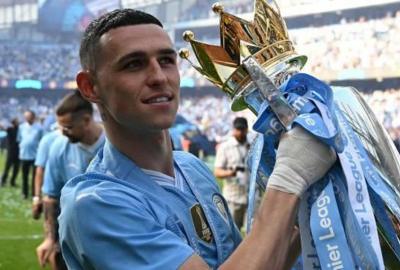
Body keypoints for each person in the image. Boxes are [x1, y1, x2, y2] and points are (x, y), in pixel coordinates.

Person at [58, 9, 336, 270]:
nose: (158, 77)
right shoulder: (94, 204)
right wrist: (288, 180)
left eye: (166, 60)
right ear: (89, 87)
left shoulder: (192, 168)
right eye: (134, 64)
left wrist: (310, 200)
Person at [36, 91, 105, 270]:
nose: (63, 132)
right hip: (73, 235)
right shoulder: (59, 148)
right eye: (61, 127)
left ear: (87, 119)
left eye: (68, 127)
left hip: (112, 231)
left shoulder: (116, 143)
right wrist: (50, 239)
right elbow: (51, 197)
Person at [214, 117, 250, 230]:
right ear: (233, 129)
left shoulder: (252, 146)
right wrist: (231, 173)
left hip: (251, 195)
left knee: (253, 232)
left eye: (242, 129)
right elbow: (217, 172)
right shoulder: (225, 147)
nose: (240, 132)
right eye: (238, 129)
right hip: (233, 196)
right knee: (233, 231)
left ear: (247, 129)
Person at [32, 124, 62, 219]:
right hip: (53, 196)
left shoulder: (83, 140)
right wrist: (37, 197)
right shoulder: (48, 139)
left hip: (77, 196)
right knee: (52, 231)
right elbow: (40, 169)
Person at [17, 110, 43, 198]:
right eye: (26, 116)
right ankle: (24, 193)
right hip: (24, 155)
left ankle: (34, 194)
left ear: (33, 117)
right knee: (24, 176)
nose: (27, 118)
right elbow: (19, 139)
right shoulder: (21, 127)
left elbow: (42, 141)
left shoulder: (39, 128)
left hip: (35, 156)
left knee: (35, 177)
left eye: (29, 116)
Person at [1, 118, 20, 187]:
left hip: (18, 152)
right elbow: (3, 128)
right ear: (13, 123)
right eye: (17, 122)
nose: (18, 123)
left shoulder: (19, 130)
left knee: (16, 168)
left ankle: (12, 181)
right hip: (11, 152)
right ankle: (3, 181)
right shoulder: (10, 129)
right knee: (7, 167)